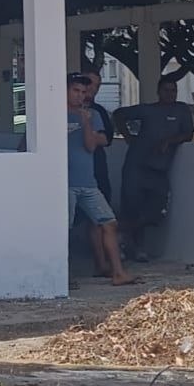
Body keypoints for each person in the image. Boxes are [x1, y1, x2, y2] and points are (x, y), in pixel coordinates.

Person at [113, 77, 194, 262]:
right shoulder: (148, 110)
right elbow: (119, 114)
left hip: (158, 170)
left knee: (155, 212)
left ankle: (121, 232)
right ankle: (136, 248)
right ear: (159, 92)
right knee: (133, 207)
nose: (170, 94)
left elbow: (189, 133)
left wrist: (169, 141)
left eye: (173, 90)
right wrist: (128, 136)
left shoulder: (182, 110)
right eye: (166, 90)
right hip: (136, 166)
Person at [65, 73, 135, 286]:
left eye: (84, 92)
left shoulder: (93, 115)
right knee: (63, 230)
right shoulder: (52, 114)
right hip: (63, 184)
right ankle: (63, 276)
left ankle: (118, 273)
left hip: (88, 183)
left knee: (109, 223)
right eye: (76, 91)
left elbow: (90, 145)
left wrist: (86, 124)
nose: (80, 96)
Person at [79, 65, 115, 277]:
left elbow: (104, 139)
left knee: (101, 219)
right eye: (90, 83)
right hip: (72, 172)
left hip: (96, 168)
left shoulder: (98, 112)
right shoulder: (62, 110)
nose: (93, 89)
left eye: (97, 85)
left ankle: (102, 263)